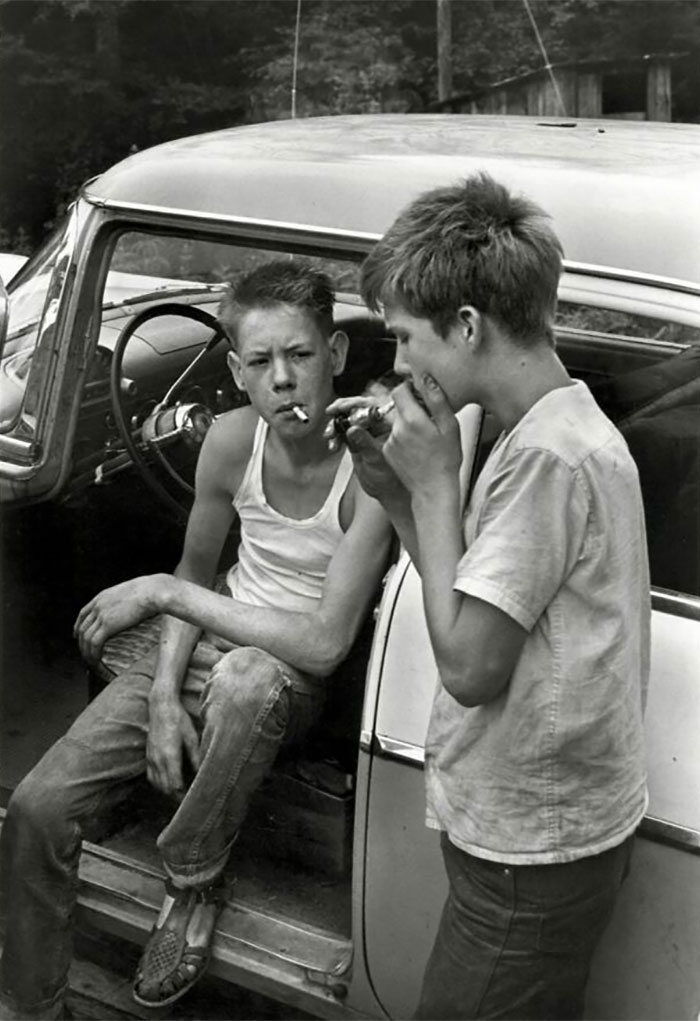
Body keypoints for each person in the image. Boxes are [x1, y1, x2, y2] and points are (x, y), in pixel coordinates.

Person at [0, 260, 392, 1018]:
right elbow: (196, 569)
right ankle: (34, 1004)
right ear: (238, 374)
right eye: (259, 361)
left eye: (300, 356)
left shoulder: (370, 468)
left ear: (336, 355)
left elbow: (322, 644)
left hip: (294, 680)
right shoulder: (232, 441)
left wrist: (170, 596)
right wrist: (159, 700)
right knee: (38, 809)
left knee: (247, 678)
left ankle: (194, 874)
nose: (283, 379)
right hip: (213, 642)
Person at [327, 172, 650, 1020]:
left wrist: (434, 487)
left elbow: (470, 665)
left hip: (531, 857)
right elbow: (468, 586)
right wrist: (398, 494)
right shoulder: (532, 426)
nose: (396, 364)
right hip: (533, 840)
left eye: (402, 338)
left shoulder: (550, 458)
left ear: (467, 325)